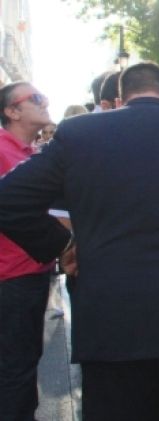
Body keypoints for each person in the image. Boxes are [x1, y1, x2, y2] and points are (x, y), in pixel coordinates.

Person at [0, 62, 159, 420]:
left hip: (110, 320)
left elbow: (8, 199)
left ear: (120, 99)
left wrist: (62, 246)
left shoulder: (78, 135)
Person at [0, 81, 56, 421]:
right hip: (11, 278)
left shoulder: (32, 154)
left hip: (30, 274)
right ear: (12, 111)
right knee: (16, 369)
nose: (44, 101)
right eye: (34, 98)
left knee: (21, 365)